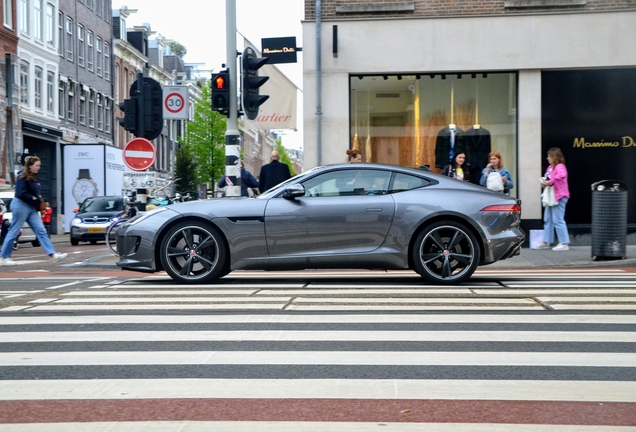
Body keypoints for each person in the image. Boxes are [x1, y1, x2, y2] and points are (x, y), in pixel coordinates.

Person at [0, 156, 68, 266]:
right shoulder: (22, 176)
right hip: (21, 206)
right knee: (14, 231)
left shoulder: (34, 177)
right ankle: (4, 257)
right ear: (30, 166)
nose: (39, 168)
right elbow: (21, 193)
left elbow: (36, 192)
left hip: (31, 208)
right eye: (36, 166)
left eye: (39, 166)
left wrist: (39, 200)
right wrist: (35, 199)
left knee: (41, 231)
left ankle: (52, 255)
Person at [532, 147, 571, 251]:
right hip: (551, 197)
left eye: (549, 156)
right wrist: (544, 183)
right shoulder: (550, 167)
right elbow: (547, 178)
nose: (547, 158)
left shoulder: (560, 166)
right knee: (548, 219)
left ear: (555, 157)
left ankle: (564, 243)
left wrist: (549, 182)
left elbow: (562, 175)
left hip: (559, 196)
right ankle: (546, 241)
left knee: (558, 219)